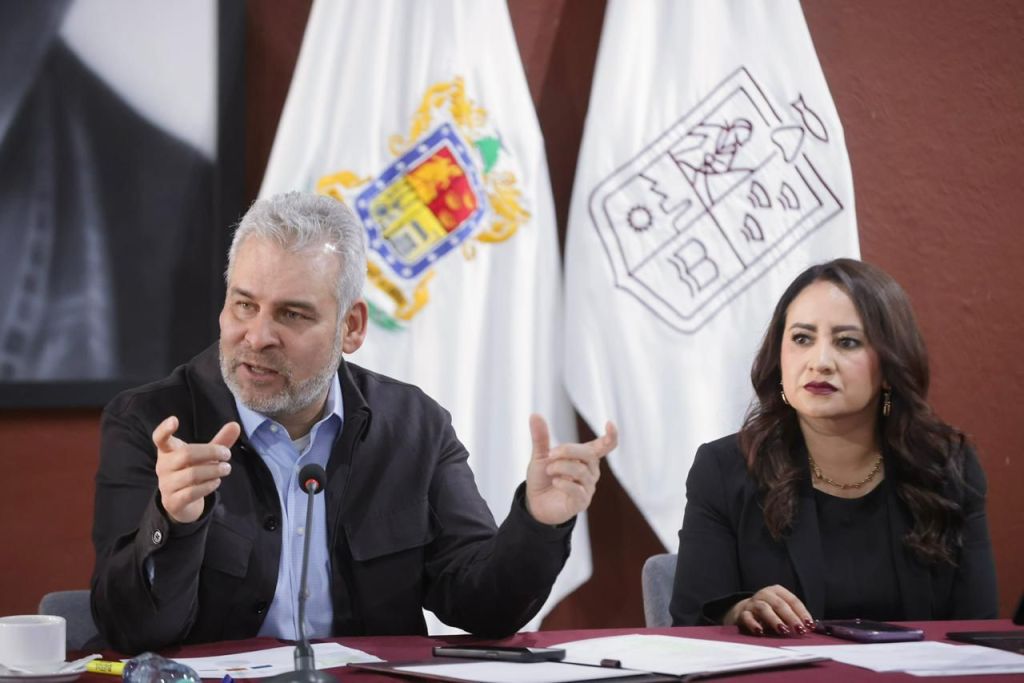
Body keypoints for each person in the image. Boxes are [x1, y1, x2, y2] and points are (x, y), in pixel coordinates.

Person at [91, 192, 617, 654]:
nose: (258, 336)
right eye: (244, 306)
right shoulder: (153, 424)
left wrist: (538, 523)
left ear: (352, 327)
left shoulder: (414, 427)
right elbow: (131, 631)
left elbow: (483, 605)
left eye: (292, 314)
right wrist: (174, 522)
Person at [669, 258, 997, 634]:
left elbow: (978, 630)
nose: (820, 362)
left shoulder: (946, 468)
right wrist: (739, 611)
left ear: (889, 366)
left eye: (847, 342)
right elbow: (691, 624)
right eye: (802, 339)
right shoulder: (726, 469)